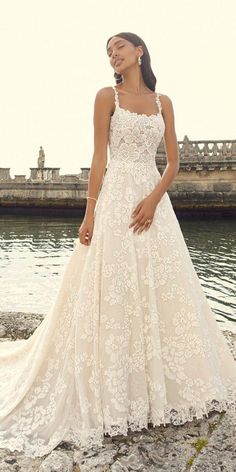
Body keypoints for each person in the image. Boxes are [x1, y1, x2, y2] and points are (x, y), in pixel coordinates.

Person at [0, 31, 235, 459]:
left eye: (119, 47)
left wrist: (153, 198)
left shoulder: (164, 103)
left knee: (163, 290)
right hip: (114, 202)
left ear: (139, 51)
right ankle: (115, 389)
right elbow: (99, 158)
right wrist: (89, 212)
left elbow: (174, 161)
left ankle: (158, 389)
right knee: (114, 288)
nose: (113, 54)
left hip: (151, 201)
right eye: (109, 51)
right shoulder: (106, 96)